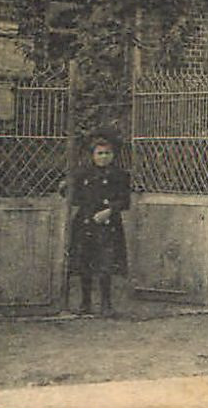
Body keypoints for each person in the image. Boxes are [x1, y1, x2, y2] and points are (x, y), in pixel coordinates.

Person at [65, 134, 131, 317]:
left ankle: (106, 304)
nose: (104, 157)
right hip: (86, 223)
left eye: (107, 153)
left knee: (106, 264)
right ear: (92, 155)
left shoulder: (120, 175)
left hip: (108, 224)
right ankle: (85, 303)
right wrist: (65, 187)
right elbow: (74, 196)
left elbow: (125, 200)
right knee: (85, 262)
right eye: (100, 153)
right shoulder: (82, 174)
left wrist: (110, 211)